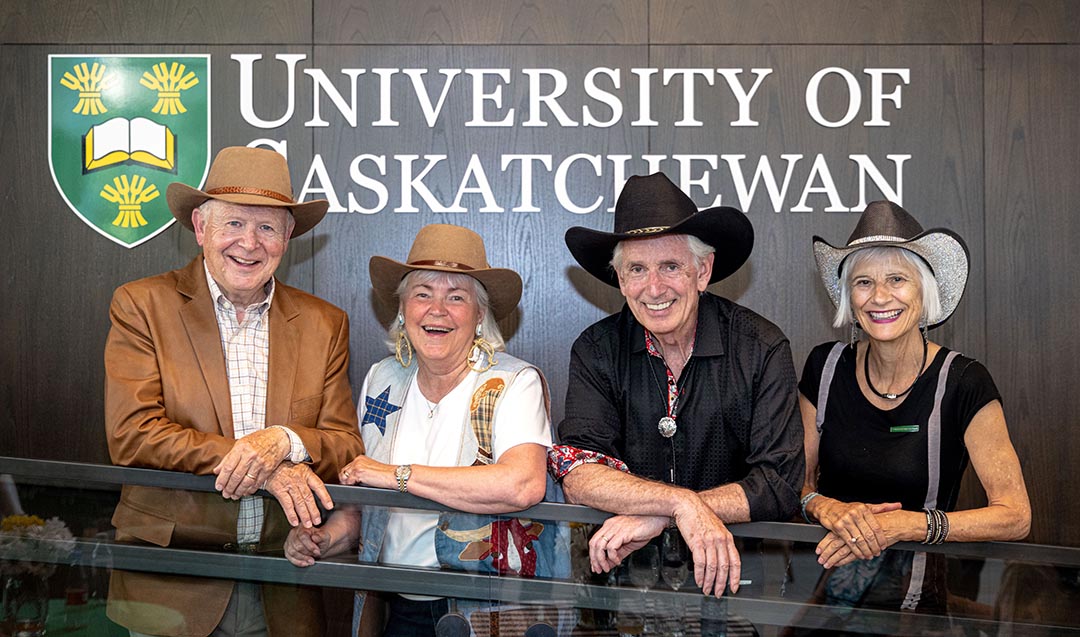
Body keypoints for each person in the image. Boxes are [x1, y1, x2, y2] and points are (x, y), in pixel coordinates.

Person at [104, 146, 365, 637]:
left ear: (287, 237)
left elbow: (346, 445)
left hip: (284, 579)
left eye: (267, 227)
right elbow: (132, 435)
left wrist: (284, 441)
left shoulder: (324, 324)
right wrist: (260, 466)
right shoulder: (142, 305)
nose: (249, 243)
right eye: (234, 224)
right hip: (173, 582)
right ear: (201, 228)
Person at [284, 224, 566, 637]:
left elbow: (522, 484)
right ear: (402, 309)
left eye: (456, 297)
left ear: (479, 314)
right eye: (423, 294)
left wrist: (398, 475)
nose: (438, 310)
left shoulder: (513, 381)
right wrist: (324, 539)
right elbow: (366, 508)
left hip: (483, 607)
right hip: (395, 606)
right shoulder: (383, 379)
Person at [550, 172, 805, 601]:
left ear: (702, 271)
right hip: (623, 588)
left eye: (670, 266)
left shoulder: (761, 347)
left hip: (736, 587)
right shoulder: (596, 349)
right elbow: (579, 472)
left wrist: (661, 516)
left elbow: (779, 484)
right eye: (637, 269)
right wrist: (680, 506)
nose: (654, 288)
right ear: (619, 279)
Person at [794, 201, 1030, 629]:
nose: (880, 297)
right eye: (864, 282)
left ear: (925, 292)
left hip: (914, 611)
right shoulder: (824, 368)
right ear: (849, 295)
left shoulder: (963, 381)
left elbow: (1015, 515)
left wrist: (904, 525)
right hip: (827, 601)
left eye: (897, 280)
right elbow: (796, 482)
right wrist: (825, 506)